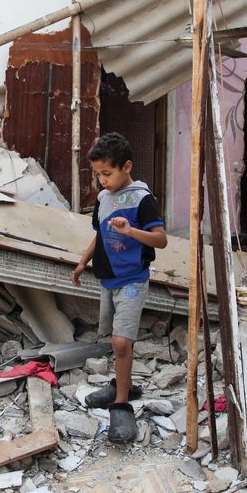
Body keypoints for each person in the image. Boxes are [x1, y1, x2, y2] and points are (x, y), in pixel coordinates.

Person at [71, 132, 167, 443]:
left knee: (122, 342)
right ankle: (120, 384)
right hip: (107, 278)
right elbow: (100, 234)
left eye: (107, 174)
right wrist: (83, 261)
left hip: (132, 280)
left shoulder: (142, 198)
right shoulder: (103, 199)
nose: (101, 181)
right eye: (97, 174)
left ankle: (122, 405)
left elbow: (160, 239)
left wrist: (132, 231)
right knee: (114, 341)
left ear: (126, 167)